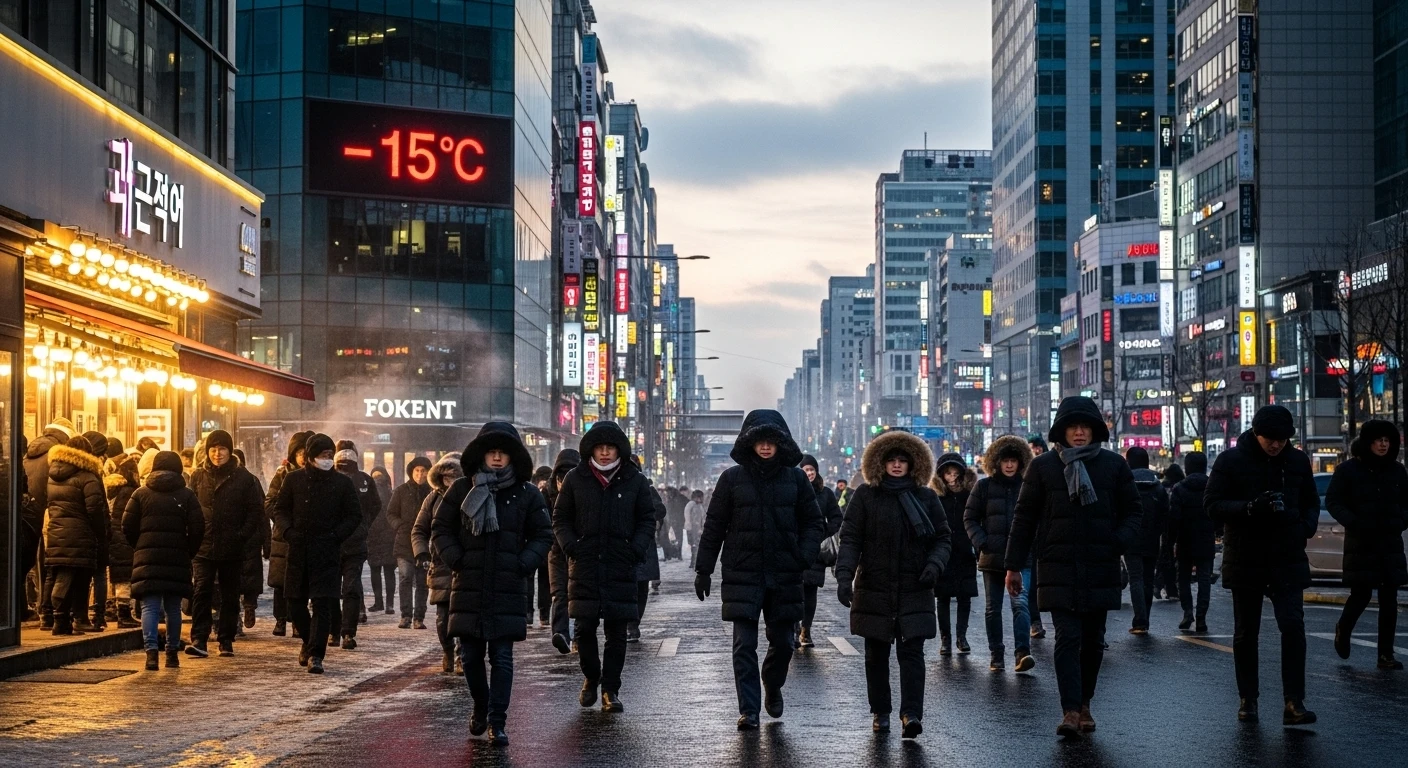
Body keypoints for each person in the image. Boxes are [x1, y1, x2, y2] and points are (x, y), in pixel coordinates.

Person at [1005, 396, 1142, 739]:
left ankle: (1084, 703)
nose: (1079, 432)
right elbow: (1024, 518)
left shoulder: (1114, 465)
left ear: (1095, 431)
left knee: (1093, 641)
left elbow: (1133, 512)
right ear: (1062, 431)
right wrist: (1012, 566)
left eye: (1085, 427)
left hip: (1100, 565)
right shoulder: (1043, 467)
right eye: (1072, 427)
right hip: (1057, 565)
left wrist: (1116, 542)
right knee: (1067, 637)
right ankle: (1069, 710)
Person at [695, 410, 824, 730]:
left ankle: (773, 683)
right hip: (743, 573)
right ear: (749, 443)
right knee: (743, 645)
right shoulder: (731, 479)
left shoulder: (796, 479)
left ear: (781, 443)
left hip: (784, 573)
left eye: (771, 441)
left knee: (784, 643)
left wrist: (804, 556)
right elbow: (714, 527)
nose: (765, 447)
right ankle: (749, 710)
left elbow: (813, 522)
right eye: (759, 441)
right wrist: (703, 570)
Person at [433, 423, 553, 745]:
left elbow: (543, 534)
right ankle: (481, 705)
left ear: (513, 456)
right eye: (492, 451)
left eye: (503, 452)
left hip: (507, 586)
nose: (497, 457)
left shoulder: (527, 493)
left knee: (501, 657)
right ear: (481, 454)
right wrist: (456, 559)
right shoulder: (462, 489)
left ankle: (497, 721)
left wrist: (523, 563)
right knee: (470, 657)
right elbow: (440, 528)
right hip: (469, 584)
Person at [1205, 405, 1320, 725]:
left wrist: (1305, 526)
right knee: (1246, 632)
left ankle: (1294, 702)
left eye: (1282, 440)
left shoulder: (1297, 461)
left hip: (1287, 555)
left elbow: (1311, 500)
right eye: (1270, 439)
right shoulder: (1231, 460)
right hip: (1246, 556)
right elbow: (1211, 504)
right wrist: (1249, 508)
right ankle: (1248, 700)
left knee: (1293, 627)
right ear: (1256, 433)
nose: (1276, 445)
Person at [836, 430, 951, 738]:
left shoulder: (926, 497)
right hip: (874, 587)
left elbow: (942, 538)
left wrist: (934, 565)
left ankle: (911, 714)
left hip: (915, 586)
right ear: (880, 463)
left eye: (903, 460)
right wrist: (844, 576)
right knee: (876, 655)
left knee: (912, 654)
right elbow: (851, 539)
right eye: (891, 460)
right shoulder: (866, 496)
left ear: (913, 464)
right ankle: (881, 711)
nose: (897, 465)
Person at [554, 421, 656, 713]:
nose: (605, 453)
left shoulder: (634, 480)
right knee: (584, 628)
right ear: (591, 449)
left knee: (616, 632)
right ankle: (591, 677)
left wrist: (635, 549)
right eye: (600, 447)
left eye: (610, 447)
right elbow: (560, 518)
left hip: (620, 566)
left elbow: (647, 519)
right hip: (584, 565)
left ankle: (611, 689)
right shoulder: (576, 478)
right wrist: (572, 546)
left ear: (619, 450)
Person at [272, 433, 362, 674]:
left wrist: (336, 535)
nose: (327, 459)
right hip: (298, 551)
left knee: (322, 603)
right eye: (323, 455)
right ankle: (308, 641)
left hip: (327, 552)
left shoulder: (342, 483)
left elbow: (354, 515)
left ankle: (316, 654)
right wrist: (288, 531)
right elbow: (280, 509)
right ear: (311, 457)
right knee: (295, 603)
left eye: (330, 455)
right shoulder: (293, 480)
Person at [1327, 419, 1408, 670]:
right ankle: (1344, 628)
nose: (1383, 445)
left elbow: (1406, 503)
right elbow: (1334, 501)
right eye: (1378, 440)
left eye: (1387, 440)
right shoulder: (1348, 470)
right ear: (1368, 442)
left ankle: (1385, 654)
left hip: (1390, 542)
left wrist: (1400, 521)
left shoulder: (1397, 471)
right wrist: (1354, 522)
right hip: (1361, 541)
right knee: (1360, 595)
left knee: (1389, 598)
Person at [122, 450, 204, 670]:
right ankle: (172, 654)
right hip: (177, 557)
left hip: (147, 558)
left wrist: (140, 546)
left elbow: (127, 526)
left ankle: (151, 654)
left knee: (149, 607)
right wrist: (188, 551)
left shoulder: (140, 494)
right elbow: (198, 528)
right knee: (173, 608)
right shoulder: (187, 496)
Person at [187, 430, 264, 658]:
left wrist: (241, 535)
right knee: (201, 591)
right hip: (203, 546)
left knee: (230, 594)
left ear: (230, 451)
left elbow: (255, 511)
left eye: (222, 449)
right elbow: (190, 508)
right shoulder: (198, 476)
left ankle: (226, 639)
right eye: (213, 449)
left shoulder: (244, 478)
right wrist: (193, 534)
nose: (217, 454)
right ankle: (199, 638)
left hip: (232, 547)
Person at [964, 435, 1035, 672]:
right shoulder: (983, 487)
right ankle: (996, 654)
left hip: (1021, 556)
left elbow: (1038, 518)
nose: (1009, 465)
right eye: (1005, 460)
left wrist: (1031, 544)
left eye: (1014, 460)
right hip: (992, 556)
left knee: (1020, 604)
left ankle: (1022, 653)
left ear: (1021, 462)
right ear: (997, 462)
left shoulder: (1028, 486)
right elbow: (970, 518)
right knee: (993, 608)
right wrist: (982, 543)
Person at [43, 434, 108, 636]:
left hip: (57, 531)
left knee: (62, 573)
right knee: (81, 577)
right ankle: (79, 619)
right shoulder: (88, 476)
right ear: (87, 453)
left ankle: (59, 620)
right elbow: (95, 509)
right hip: (81, 533)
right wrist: (102, 534)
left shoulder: (52, 475)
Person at [413, 452, 463, 673]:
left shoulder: (470, 496)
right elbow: (419, 529)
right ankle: (448, 651)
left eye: (454, 476)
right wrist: (421, 552)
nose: (449, 481)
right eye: (446, 476)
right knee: (442, 617)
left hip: (465, 563)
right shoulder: (433, 499)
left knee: (463, 615)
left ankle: (462, 656)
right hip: (440, 563)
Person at [331, 443, 379, 649]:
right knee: (333, 590)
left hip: (353, 545)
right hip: (332, 544)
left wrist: (363, 526)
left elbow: (375, 505)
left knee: (350, 588)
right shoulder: (329, 479)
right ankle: (335, 630)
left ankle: (347, 632)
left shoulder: (364, 481)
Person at [265, 431, 310, 637]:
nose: (303, 457)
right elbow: (269, 502)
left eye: (306, 453)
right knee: (280, 581)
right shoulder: (282, 474)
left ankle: (297, 621)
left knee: (301, 581)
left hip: (305, 535)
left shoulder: (315, 476)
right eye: (299, 453)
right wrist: (283, 521)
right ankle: (280, 619)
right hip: (283, 536)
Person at [932, 452, 977, 656]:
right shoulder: (935, 496)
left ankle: (961, 636)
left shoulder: (969, 494)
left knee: (964, 596)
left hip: (965, 550)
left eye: (955, 473)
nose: (952, 478)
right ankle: (945, 639)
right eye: (948, 473)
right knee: (942, 597)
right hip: (943, 552)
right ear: (941, 475)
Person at [798, 454, 843, 649]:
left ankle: (805, 630)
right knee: (792, 591)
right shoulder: (791, 489)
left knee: (810, 591)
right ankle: (793, 628)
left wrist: (823, 532)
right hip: (793, 548)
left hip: (815, 551)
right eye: (805, 470)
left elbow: (836, 518)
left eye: (811, 470)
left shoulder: (825, 493)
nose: (809, 473)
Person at [1123, 446, 1168, 636]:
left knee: (1135, 578)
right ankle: (1145, 619)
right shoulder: (1158, 487)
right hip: (1152, 539)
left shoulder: (1126, 485)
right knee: (1148, 579)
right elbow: (1165, 514)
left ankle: (1139, 621)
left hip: (1131, 538)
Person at [1168, 451, 1213, 632]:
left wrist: (1170, 541)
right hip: (1206, 538)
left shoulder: (1179, 488)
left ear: (1187, 468)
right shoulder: (1212, 487)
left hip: (1185, 539)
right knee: (1204, 579)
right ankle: (1201, 617)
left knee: (1184, 578)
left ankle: (1187, 612)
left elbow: (1174, 518)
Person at [387, 456, 433, 630]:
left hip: (424, 543)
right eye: (417, 471)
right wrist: (399, 525)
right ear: (411, 472)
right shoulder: (401, 491)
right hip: (404, 542)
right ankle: (405, 615)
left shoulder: (432, 492)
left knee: (422, 582)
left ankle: (419, 618)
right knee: (405, 578)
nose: (420, 474)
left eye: (423, 471)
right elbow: (390, 513)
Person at [544, 449, 580, 653]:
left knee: (577, 594)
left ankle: (577, 636)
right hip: (556, 550)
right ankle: (561, 634)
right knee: (559, 593)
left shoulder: (585, 488)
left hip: (578, 550)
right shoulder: (547, 493)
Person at [103, 446, 141, 628]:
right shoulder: (129, 492)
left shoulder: (114, 490)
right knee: (124, 578)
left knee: (119, 578)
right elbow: (129, 518)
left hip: (115, 538)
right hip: (124, 539)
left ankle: (119, 612)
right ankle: (124, 615)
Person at [231, 448, 267, 635]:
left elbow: (261, 512)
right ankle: (243, 610)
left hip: (248, 537)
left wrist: (266, 541)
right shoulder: (251, 480)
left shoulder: (250, 481)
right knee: (241, 577)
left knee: (243, 576)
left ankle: (247, 606)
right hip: (241, 537)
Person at [630, 464, 668, 641]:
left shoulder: (646, 487)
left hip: (643, 545)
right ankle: (628, 625)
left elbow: (660, 509)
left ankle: (633, 625)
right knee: (626, 589)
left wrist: (646, 520)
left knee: (641, 587)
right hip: (620, 547)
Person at [78, 431, 112, 632]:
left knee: (80, 575)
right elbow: (97, 507)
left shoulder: (62, 469)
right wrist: (104, 531)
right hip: (91, 531)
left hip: (68, 532)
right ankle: (97, 615)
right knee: (99, 573)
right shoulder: (92, 472)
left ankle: (75, 614)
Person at [366, 466, 397, 615]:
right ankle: (389, 605)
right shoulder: (391, 493)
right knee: (389, 571)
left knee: (375, 570)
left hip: (373, 536)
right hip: (389, 537)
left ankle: (379, 602)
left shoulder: (369, 493)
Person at [684, 489, 706, 569]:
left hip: (697, 528)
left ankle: (695, 561)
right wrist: (690, 526)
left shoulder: (697, 505)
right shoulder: (692, 505)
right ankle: (694, 562)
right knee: (695, 545)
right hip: (694, 528)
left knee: (696, 545)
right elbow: (689, 517)